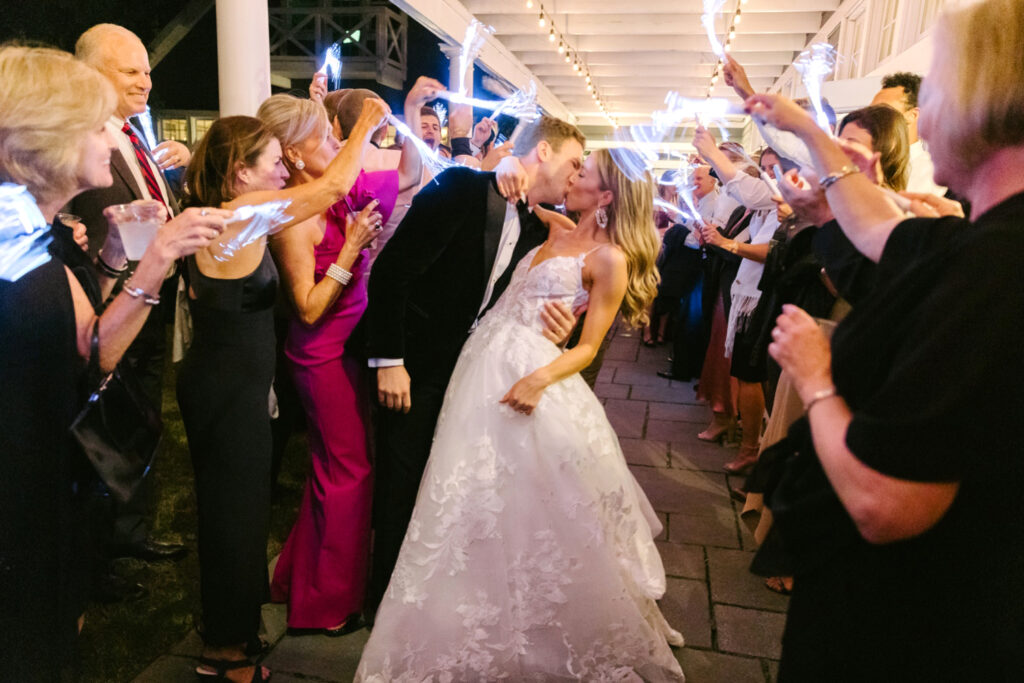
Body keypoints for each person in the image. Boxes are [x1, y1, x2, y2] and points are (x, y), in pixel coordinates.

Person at [745, 0, 1023, 678]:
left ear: (983, 97)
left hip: (903, 626)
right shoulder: (979, 241)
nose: (922, 126)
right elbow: (878, 231)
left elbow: (884, 501)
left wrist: (817, 376)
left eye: (941, 89)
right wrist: (807, 130)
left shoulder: (996, 266)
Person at [356, 148, 684, 680]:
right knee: (458, 487)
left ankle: (519, 613)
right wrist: (506, 158)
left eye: (586, 174)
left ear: (606, 197)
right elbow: (513, 194)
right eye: (574, 166)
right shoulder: (547, 225)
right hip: (475, 367)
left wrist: (542, 368)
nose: (574, 177)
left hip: (521, 376)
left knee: (515, 497)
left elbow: (588, 345)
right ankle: (451, 594)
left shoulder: (611, 259)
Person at [0, 45, 227, 681]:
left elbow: (89, 344)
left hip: (50, 485)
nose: (114, 137)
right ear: (47, 137)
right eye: (99, 125)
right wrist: (156, 259)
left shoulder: (31, 228)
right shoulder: (6, 237)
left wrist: (124, 250)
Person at [176, 97, 390, 682]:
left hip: (232, 383)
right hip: (225, 388)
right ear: (241, 172)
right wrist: (365, 123)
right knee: (232, 518)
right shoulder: (244, 212)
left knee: (238, 514)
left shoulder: (233, 210)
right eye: (273, 160)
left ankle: (231, 634)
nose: (281, 169)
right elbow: (330, 187)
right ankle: (226, 654)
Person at [362, 115, 584, 620]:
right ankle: (385, 609)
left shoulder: (535, 222)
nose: (575, 175)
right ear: (543, 152)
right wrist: (389, 360)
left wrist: (556, 330)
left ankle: (428, 597)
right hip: (413, 363)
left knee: (441, 482)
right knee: (401, 480)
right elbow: (392, 272)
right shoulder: (461, 187)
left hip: (465, 372)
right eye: (573, 162)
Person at [255, 79, 438, 635]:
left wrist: (409, 114)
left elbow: (409, 174)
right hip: (322, 355)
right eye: (324, 140)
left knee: (331, 471)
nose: (337, 147)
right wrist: (353, 249)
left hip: (352, 347)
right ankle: (326, 607)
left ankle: (297, 579)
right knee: (349, 474)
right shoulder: (292, 217)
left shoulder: (336, 193)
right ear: (292, 153)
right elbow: (307, 310)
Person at [68, 22, 191, 584]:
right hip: (100, 301)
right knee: (103, 429)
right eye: (131, 70)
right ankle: (97, 555)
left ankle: (129, 534)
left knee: (142, 420)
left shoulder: (135, 135)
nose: (147, 79)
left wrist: (181, 173)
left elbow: (154, 207)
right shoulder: (76, 137)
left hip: (150, 296)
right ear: (92, 72)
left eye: (147, 69)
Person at [694, 135, 782, 474]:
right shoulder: (765, 206)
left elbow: (769, 251)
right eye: (767, 169)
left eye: (778, 168)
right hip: (745, 293)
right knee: (745, 372)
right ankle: (749, 444)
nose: (772, 175)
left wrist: (726, 244)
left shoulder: (784, 204)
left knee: (752, 374)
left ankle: (752, 447)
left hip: (760, 297)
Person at [870, 71, 947, 196]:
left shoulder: (933, 175)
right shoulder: (864, 165)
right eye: (870, 111)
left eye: (883, 111)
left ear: (913, 115)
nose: (871, 118)